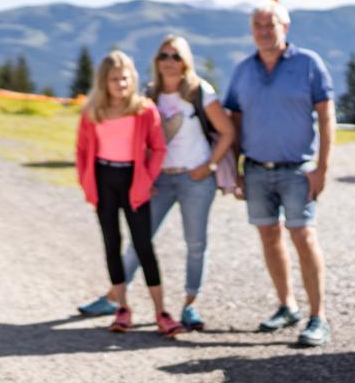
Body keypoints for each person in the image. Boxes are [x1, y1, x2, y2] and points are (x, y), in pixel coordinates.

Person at [75, 36, 235, 331]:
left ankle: (190, 305)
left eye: (176, 56)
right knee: (139, 242)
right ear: (156, 61)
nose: (170, 62)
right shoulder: (151, 95)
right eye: (164, 55)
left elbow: (227, 132)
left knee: (195, 243)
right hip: (158, 179)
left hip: (194, 178)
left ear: (186, 60)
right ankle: (115, 298)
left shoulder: (200, 93)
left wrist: (209, 165)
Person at [224, 0, 334, 347]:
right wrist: (236, 170)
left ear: (285, 28)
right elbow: (235, 123)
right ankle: (287, 305)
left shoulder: (308, 64)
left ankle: (319, 317)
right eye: (257, 25)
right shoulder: (243, 70)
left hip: (298, 170)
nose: (263, 30)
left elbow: (327, 117)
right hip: (255, 169)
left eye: (270, 24)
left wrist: (323, 168)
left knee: (303, 236)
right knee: (269, 236)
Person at [75, 50, 182, 336]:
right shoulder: (92, 112)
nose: (120, 84)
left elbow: (158, 148)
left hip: (133, 181)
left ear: (131, 79)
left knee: (143, 246)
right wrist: (87, 183)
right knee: (111, 243)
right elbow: (82, 150)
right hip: (102, 179)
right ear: (104, 82)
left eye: (124, 78)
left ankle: (161, 311)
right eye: (114, 79)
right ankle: (122, 308)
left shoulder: (144, 110)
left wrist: (146, 179)